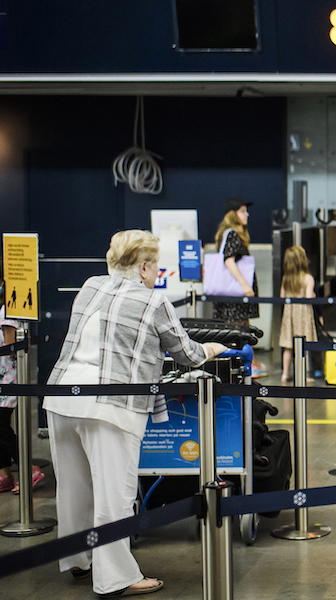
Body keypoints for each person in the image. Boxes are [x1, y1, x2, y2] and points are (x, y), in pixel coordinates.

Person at [45, 230, 227, 597]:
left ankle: (78, 560)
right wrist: (212, 348)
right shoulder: (154, 301)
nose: (157, 272)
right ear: (144, 267)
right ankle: (115, 578)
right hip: (111, 406)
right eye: (156, 265)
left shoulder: (90, 286)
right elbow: (187, 354)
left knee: (74, 489)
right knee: (114, 494)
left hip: (62, 397)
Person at [0, 305, 43, 494]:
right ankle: (5, 475)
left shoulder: (8, 310)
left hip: (6, 378)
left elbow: (10, 346)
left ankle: (29, 469)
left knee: (2, 428)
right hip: (5, 376)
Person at [212, 197, 258, 325]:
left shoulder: (225, 234)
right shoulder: (233, 234)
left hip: (230, 297)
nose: (247, 214)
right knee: (237, 331)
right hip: (234, 300)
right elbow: (229, 260)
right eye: (242, 211)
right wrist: (245, 286)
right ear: (233, 215)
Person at [278, 246, 317, 384]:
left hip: (289, 314)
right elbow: (309, 297)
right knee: (304, 346)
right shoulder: (308, 278)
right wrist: (314, 294)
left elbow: (282, 297)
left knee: (288, 346)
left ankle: (285, 374)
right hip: (303, 314)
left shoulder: (286, 279)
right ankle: (305, 375)